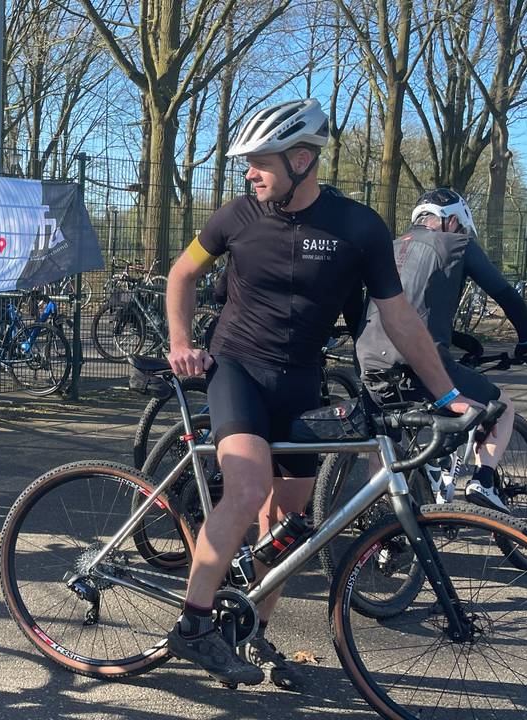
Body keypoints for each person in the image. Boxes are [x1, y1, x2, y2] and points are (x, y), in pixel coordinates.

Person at [163, 98, 473, 690]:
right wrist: (181, 341)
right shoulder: (236, 217)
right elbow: (183, 273)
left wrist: (447, 394)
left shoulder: (358, 228)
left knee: (288, 525)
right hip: (237, 369)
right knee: (249, 485)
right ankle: (194, 625)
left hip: (301, 381)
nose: (249, 174)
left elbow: (401, 317)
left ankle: (249, 627)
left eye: (259, 163)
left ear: (301, 160)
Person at [354, 187, 527, 512]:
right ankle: (483, 482)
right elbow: (507, 295)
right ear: (453, 220)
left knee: (385, 443)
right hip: (422, 365)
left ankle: (384, 529)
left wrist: (464, 341)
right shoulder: (458, 244)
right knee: (501, 405)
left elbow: (412, 310)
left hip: (370, 363)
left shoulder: (389, 247)